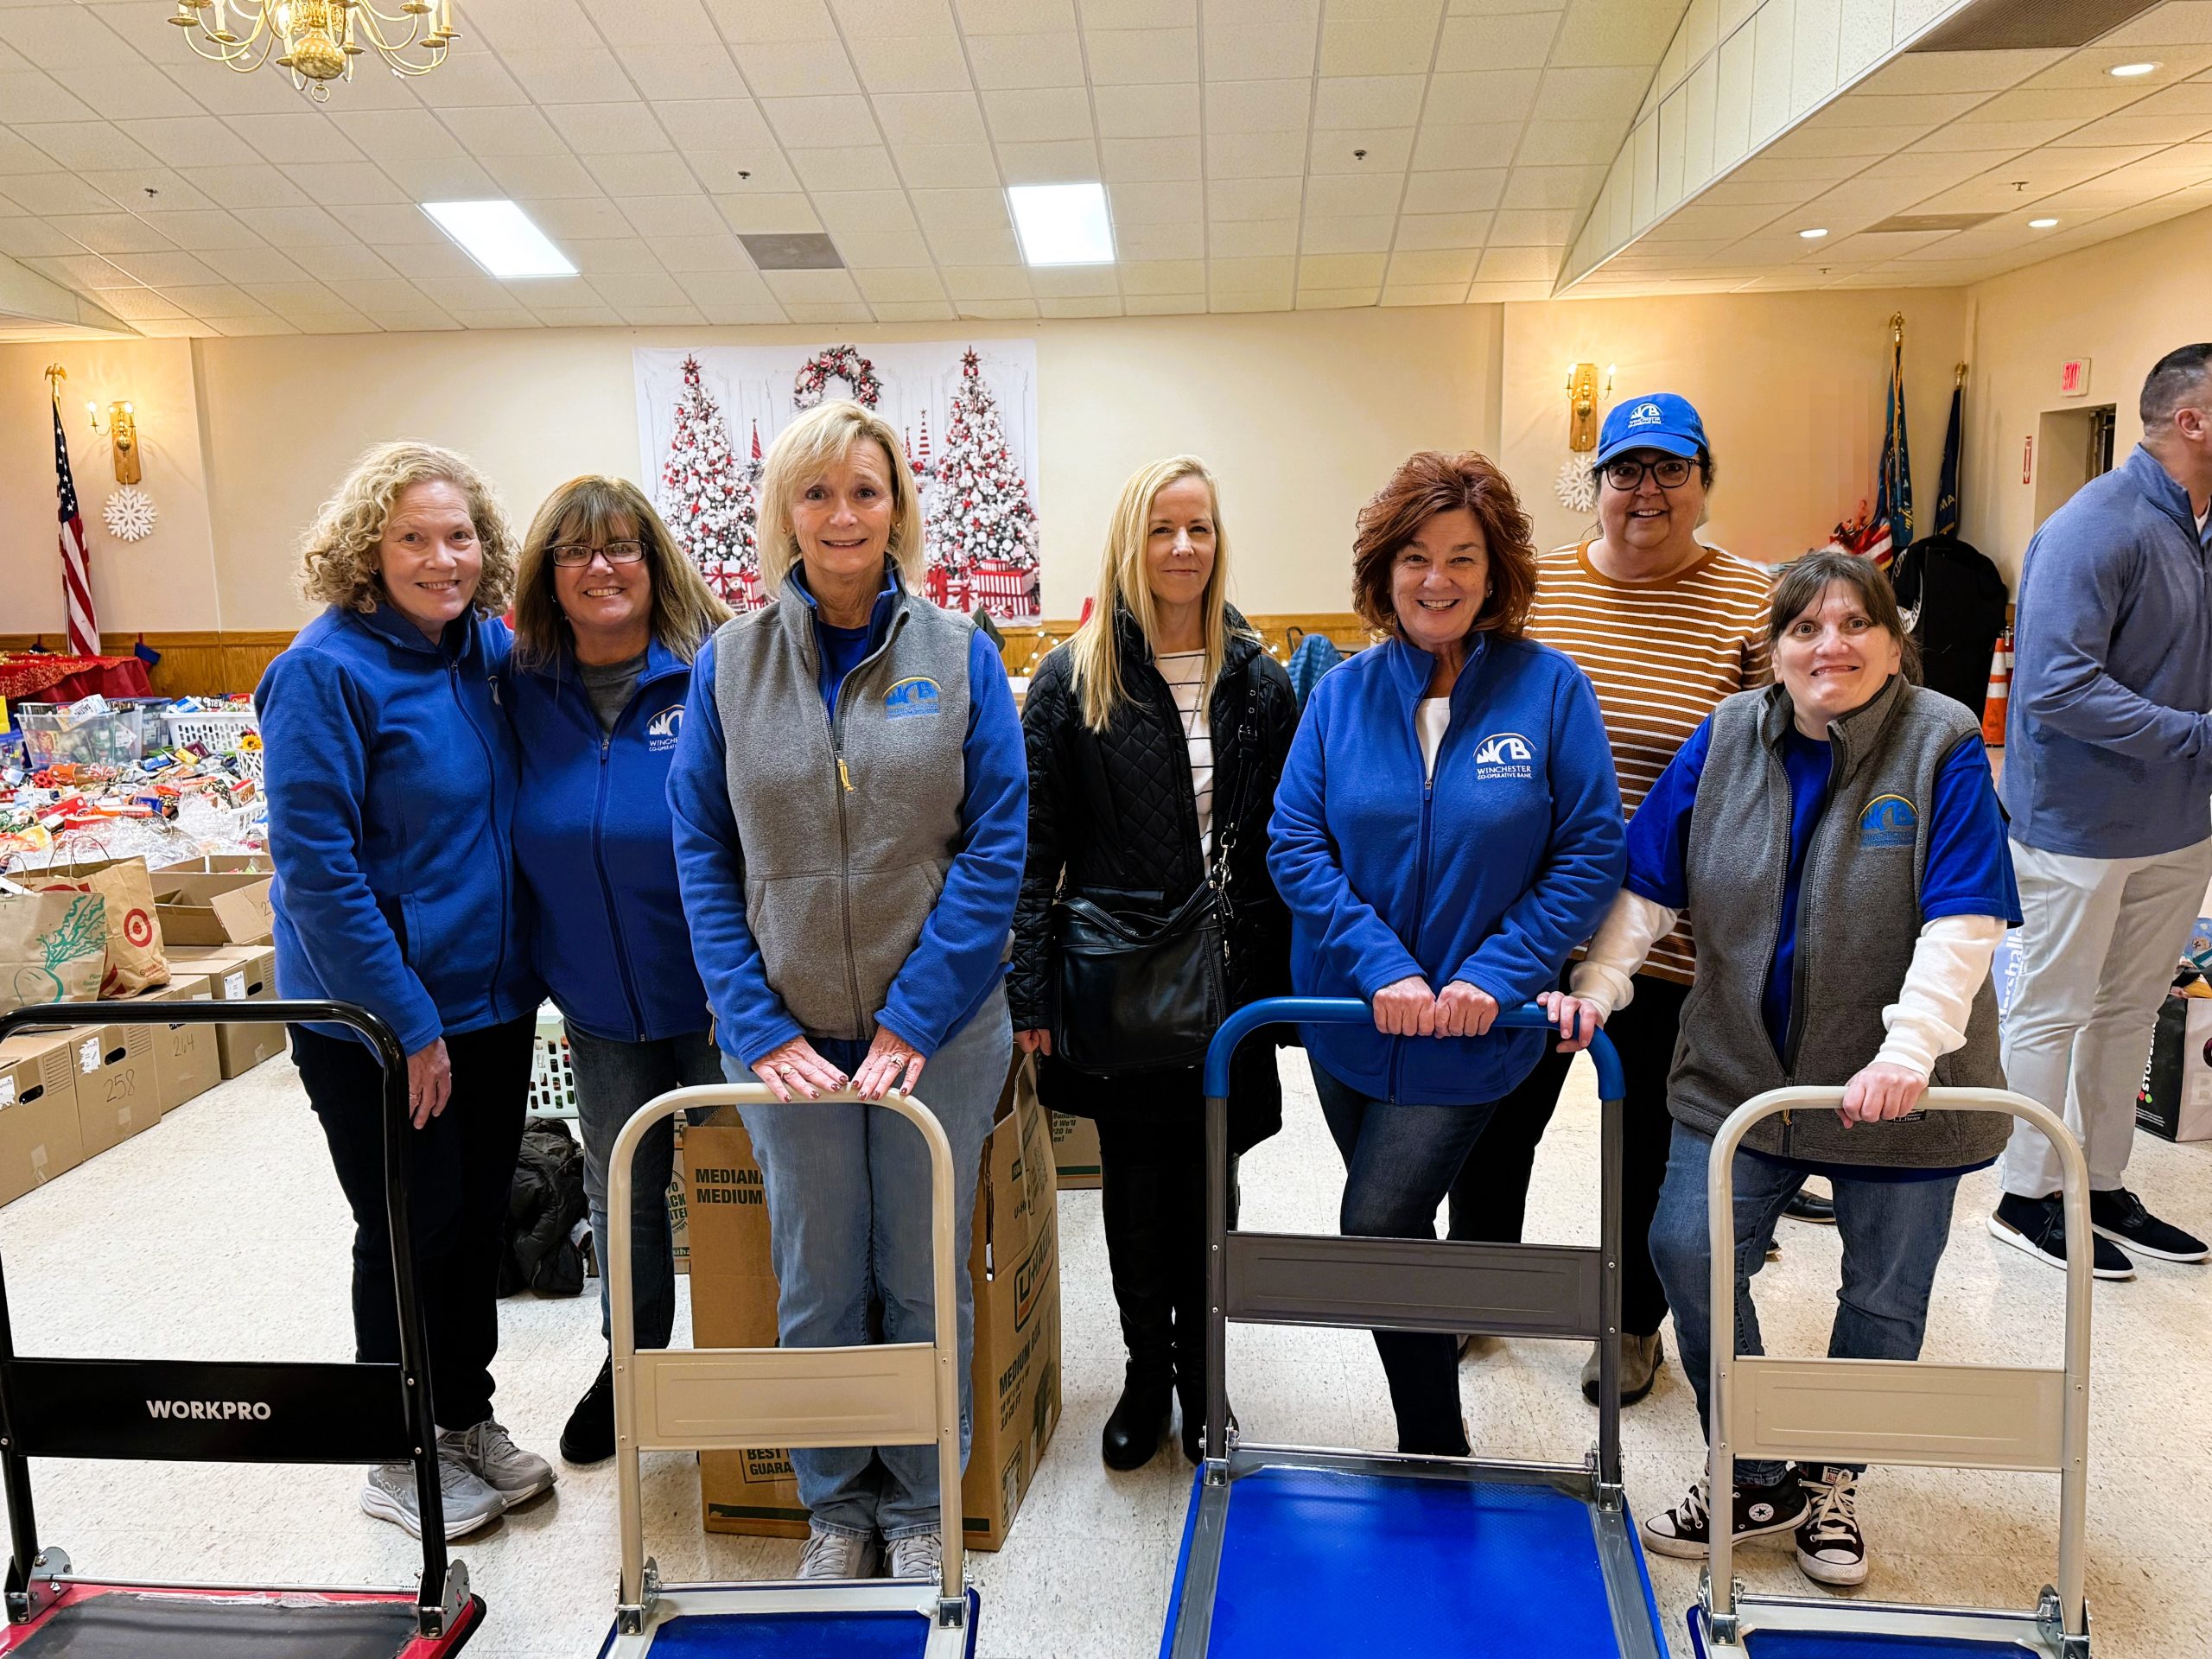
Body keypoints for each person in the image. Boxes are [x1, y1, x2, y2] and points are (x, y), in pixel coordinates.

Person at [1548, 550, 2021, 1590]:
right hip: (1738, 1075)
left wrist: (1908, 1050)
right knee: (1687, 1246)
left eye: (1855, 625)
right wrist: (1605, 981)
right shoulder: (1723, 738)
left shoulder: (1939, 743)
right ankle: (1754, 1464)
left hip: (1906, 1087)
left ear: (1894, 644)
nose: (1829, 647)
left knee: (1883, 1298)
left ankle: (1831, 1480)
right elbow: (1647, 884)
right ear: (1774, 648)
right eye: (1805, 628)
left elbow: (1964, 916)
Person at [667, 399, 1026, 1584]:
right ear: (786, 512)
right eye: (816, 493)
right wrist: (759, 1026)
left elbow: (995, 847)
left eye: (864, 491)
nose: (841, 515)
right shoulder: (729, 664)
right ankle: (837, 1509)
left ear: (897, 507)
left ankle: (921, 1499)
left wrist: (915, 1018)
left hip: (942, 1032)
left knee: (920, 1269)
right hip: (786, 1042)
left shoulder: (960, 652)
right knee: (817, 1271)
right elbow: (702, 857)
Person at [1268, 449, 1626, 1457]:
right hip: (1353, 1022)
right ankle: (1433, 1431)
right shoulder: (1341, 695)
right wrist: (1379, 964)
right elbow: (1293, 842)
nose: (1438, 579)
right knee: (1398, 1234)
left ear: (1496, 570)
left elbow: (1590, 847)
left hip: (1473, 1030)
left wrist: (1496, 975)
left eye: (1462, 557)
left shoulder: (1549, 690)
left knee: (1376, 1222)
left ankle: (1433, 1442)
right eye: (1416, 556)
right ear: (1384, 572)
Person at [1444, 391, 1771, 1407]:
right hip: (1533, 924)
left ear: (1704, 483)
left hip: (1677, 940)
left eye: (1670, 469)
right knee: (1494, 1124)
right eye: (1625, 470)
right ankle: (1479, 1290)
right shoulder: (1533, 597)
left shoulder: (1755, 602)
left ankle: (1632, 1326)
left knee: (1643, 1145)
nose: (1646, 491)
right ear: (1595, 487)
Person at [258, 442, 553, 1541]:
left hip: (489, 1002)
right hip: (372, 1022)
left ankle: (463, 1416)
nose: (443, 558)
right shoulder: (322, 672)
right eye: (414, 539)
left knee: (474, 1221)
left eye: (461, 536)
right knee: (402, 1223)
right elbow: (318, 873)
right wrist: (408, 1026)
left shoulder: (482, 652)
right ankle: (394, 1444)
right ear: (366, 551)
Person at [1011, 456, 1296, 1470]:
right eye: (1162, 530)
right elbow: (1031, 849)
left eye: (1201, 529)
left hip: (1228, 988)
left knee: (1210, 1192)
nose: (1183, 549)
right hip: (1123, 985)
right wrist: (1028, 987)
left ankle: (1203, 1378)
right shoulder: (1071, 678)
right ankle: (1145, 1377)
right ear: (1130, 543)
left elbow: (1286, 843)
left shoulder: (1260, 681)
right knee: (1135, 1199)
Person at [503, 474, 732, 1465]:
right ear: (548, 576)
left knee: (741, 1185)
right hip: (595, 1001)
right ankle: (627, 1365)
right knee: (621, 1191)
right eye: (576, 551)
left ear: (655, 562)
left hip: (724, 998)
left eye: (623, 546)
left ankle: (751, 1358)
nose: (601, 567)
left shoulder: (713, 675)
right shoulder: (514, 688)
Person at [1990, 343, 2212, 1278]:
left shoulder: (2201, 528)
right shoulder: (2095, 527)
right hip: (2077, 828)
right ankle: (2022, 1194)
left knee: (2128, 1012)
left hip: (2177, 824)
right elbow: (2055, 687)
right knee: (2053, 1006)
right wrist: (2198, 737)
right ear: (2192, 420)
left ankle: (2103, 1184)